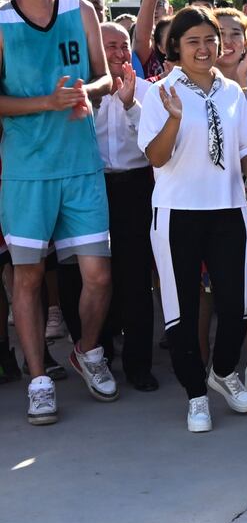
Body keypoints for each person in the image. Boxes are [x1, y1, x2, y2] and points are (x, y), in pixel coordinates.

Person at [0, 0, 117, 425]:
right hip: (26, 173)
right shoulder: (0, 23)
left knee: (99, 274)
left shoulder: (80, 9)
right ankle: (39, 380)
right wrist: (43, 103)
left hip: (81, 167)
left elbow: (107, 74)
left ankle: (87, 350)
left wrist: (89, 94)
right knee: (27, 279)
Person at [139, 7, 247, 431]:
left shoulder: (233, 92)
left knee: (239, 304)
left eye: (210, 39)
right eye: (192, 41)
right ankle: (196, 393)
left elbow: (246, 146)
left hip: (229, 210)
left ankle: (223, 371)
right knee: (182, 307)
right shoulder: (161, 92)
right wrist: (175, 120)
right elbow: (156, 157)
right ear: (174, 47)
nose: (203, 48)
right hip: (178, 212)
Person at [93, 21, 158, 391]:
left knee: (135, 278)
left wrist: (130, 103)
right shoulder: (83, 92)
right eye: (110, 46)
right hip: (93, 186)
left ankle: (138, 364)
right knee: (93, 276)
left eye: (123, 46)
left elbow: (150, 144)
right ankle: (96, 353)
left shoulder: (148, 91)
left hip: (136, 187)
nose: (119, 53)